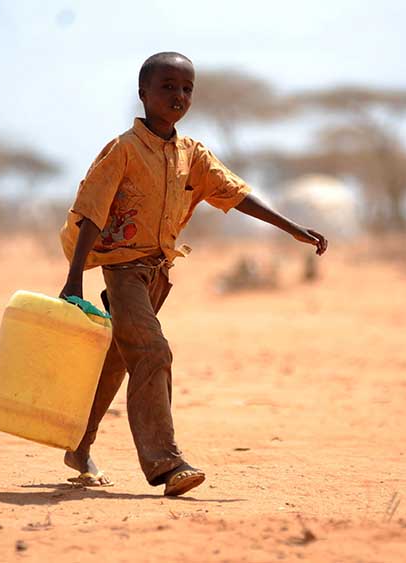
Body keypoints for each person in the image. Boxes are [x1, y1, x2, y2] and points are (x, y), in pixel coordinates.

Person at [58, 52, 328, 497]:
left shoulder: (192, 154)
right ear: (143, 93)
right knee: (153, 352)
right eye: (167, 87)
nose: (178, 96)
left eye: (186, 89)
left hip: (157, 273)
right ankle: (167, 463)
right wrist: (74, 280)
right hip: (121, 269)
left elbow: (235, 194)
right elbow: (91, 213)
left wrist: (291, 228)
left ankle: (78, 445)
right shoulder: (123, 150)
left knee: (119, 360)